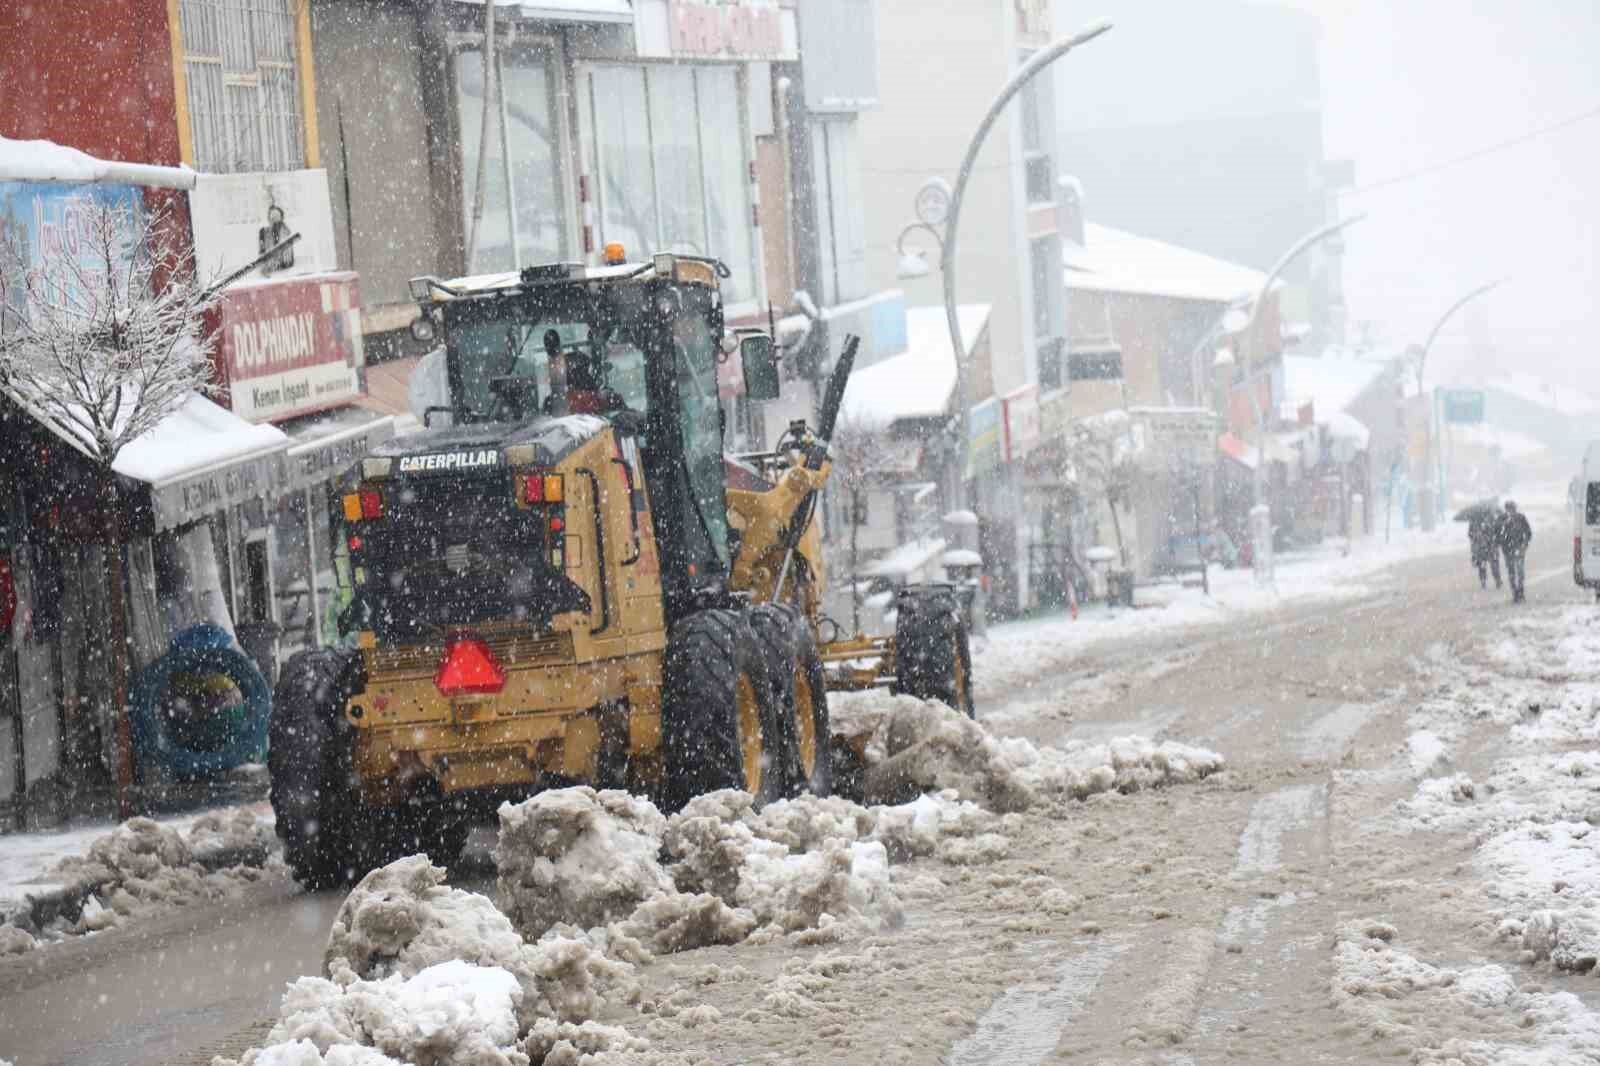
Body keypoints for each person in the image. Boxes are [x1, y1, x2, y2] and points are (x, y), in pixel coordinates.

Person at [1499, 500, 1533, 603]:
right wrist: (1504, 526)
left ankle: (1520, 591)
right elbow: (1497, 534)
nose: (1511, 511)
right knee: (1511, 572)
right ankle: (1515, 592)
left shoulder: (1521, 518)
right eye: (1509, 509)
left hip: (1519, 548)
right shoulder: (1502, 519)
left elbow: (1528, 532)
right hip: (1508, 550)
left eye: (1512, 508)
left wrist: (1524, 544)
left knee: (1520, 571)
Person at [1468, 507, 1502, 590]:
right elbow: (1470, 534)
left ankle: (1487, 581)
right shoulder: (1491, 521)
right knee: (1491, 565)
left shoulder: (1475, 522)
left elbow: (1470, 535)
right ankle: (1494, 580)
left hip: (1484, 547)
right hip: (1488, 547)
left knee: (1484, 566)